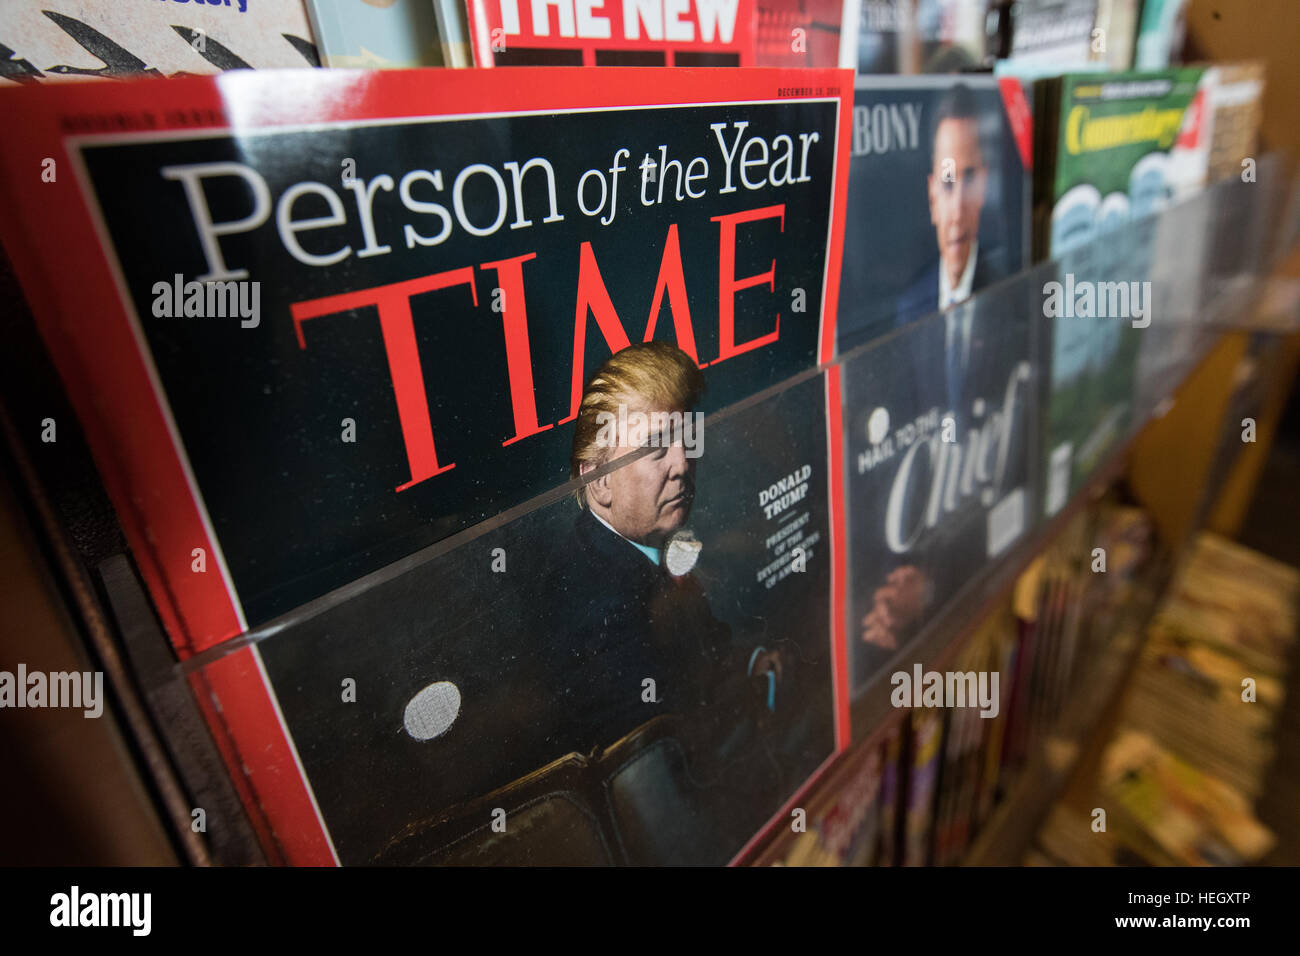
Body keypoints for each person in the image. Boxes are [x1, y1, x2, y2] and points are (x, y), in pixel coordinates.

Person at [539, 341, 783, 758]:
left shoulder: (644, 547)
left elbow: (702, 650)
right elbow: (661, 750)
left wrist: (749, 661)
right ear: (598, 479)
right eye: (655, 448)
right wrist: (752, 691)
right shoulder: (593, 598)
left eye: (686, 442)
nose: (683, 463)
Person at [895, 83, 1006, 330]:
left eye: (968, 179)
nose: (957, 212)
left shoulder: (1007, 299)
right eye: (947, 183)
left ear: (984, 187)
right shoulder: (909, 310)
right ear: (932, 196)